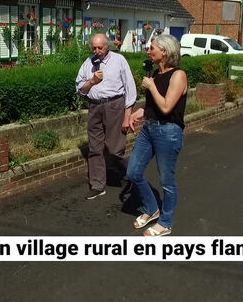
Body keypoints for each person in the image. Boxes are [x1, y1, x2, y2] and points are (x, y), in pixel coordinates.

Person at [126, 34, 187, 236]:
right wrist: (137, 113)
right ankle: (152, 209)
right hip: (149, 129)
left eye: (152, 48)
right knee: (133, 172)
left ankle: (166, 222)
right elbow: (153, 106)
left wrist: (151, 86)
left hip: (168, 132)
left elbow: (167, 106)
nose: (148, 50)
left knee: (166, 181)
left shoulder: (178, 75)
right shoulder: (155, 73)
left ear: (165, 52)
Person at [76, 33, 137, 200]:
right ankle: (97, 185)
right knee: (95, 148)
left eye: (100, 47)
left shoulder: (119, 61)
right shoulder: (88, 62)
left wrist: (127, 115)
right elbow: (80, 88)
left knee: (115, 149)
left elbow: (130, 89)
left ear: (107, 46)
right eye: (94, 48)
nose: (96, 51)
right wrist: (92, 82)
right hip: (95, 106)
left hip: (114, 105)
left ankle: (132, 175)